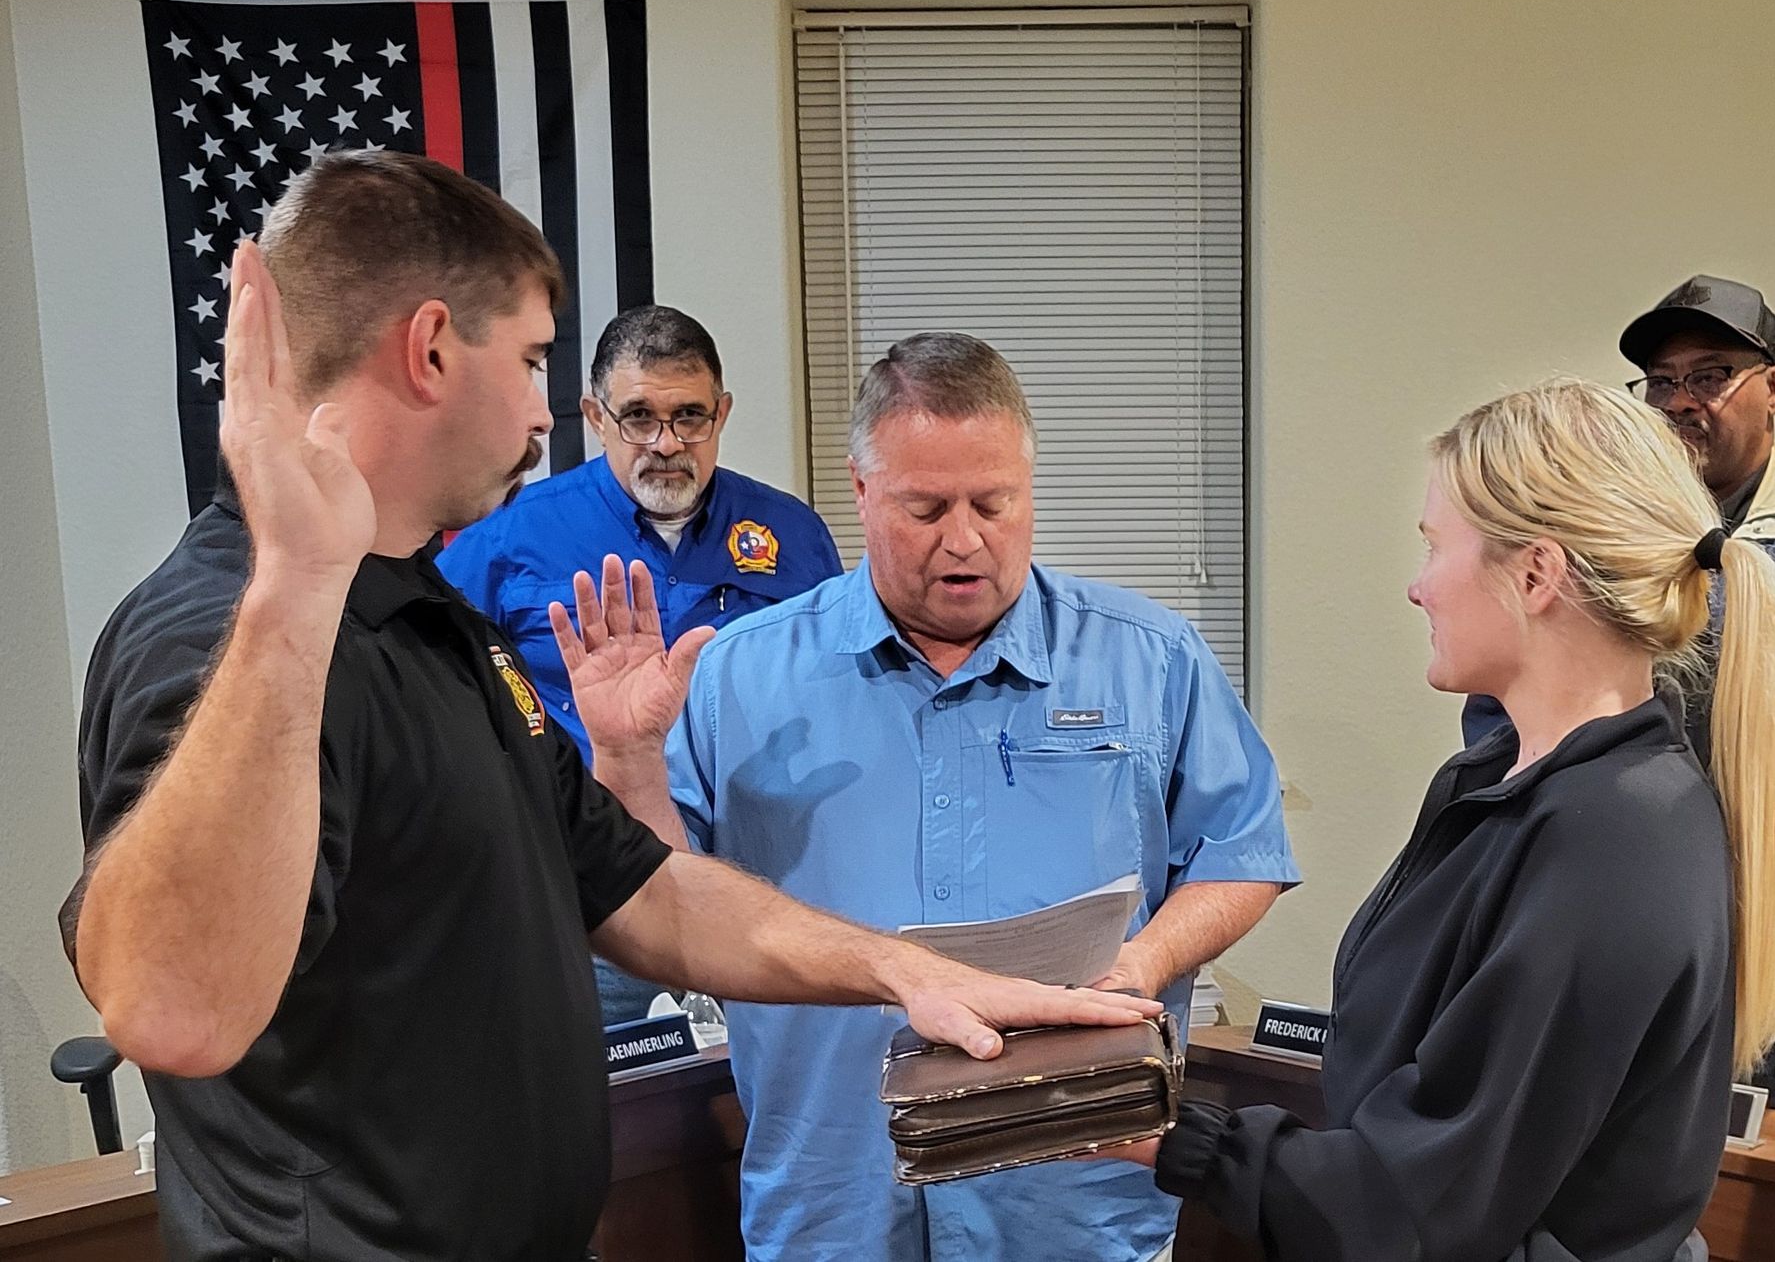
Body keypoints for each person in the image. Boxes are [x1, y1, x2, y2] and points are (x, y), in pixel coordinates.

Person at [59, 152, 1161, 1261]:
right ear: (430, 348)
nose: (547, 412)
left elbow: (641, 887)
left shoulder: (427, 614)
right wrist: (291, 586)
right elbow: (168, 1010)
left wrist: (910, 970)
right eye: (534, 359)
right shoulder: (222, 630)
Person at [592, 331, 1298, 1261]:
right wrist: (628, 757)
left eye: (993, 503)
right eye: (924, 507)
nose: (964, 539)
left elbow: (1240, 855)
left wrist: (1138, 966)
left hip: (1073, 1203)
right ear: (861, 490)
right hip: (833, 1197)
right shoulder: (738, 675)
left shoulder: (1149, 656)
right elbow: (658, 900)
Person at [1114, 377, 1775, 1261]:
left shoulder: (1615, 839)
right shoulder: (1500, 780)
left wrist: (1154, 1131)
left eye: (1435, 546)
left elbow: (1423, 1207)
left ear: (1535, 572)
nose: (1417, 587)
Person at [1466, 275, 1775, 1115]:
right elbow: (1511, 712)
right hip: (1596, 932)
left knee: (1760, 1206)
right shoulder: (1594, 539)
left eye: (1709, 376)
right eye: (1663, 383)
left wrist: (1702, 896)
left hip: (1771, 954)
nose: (1681, 402)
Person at [439, 303, 842, 1024]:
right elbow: (436, 691)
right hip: (598, 895)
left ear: (721, 413)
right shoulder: (509, 539)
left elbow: (836, 691)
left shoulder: (793, 534)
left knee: (756, 1109)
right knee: (615, 1119)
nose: (665, 443)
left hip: (757, 886)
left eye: (689, 416)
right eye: (638, 418)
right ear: (595, 417)